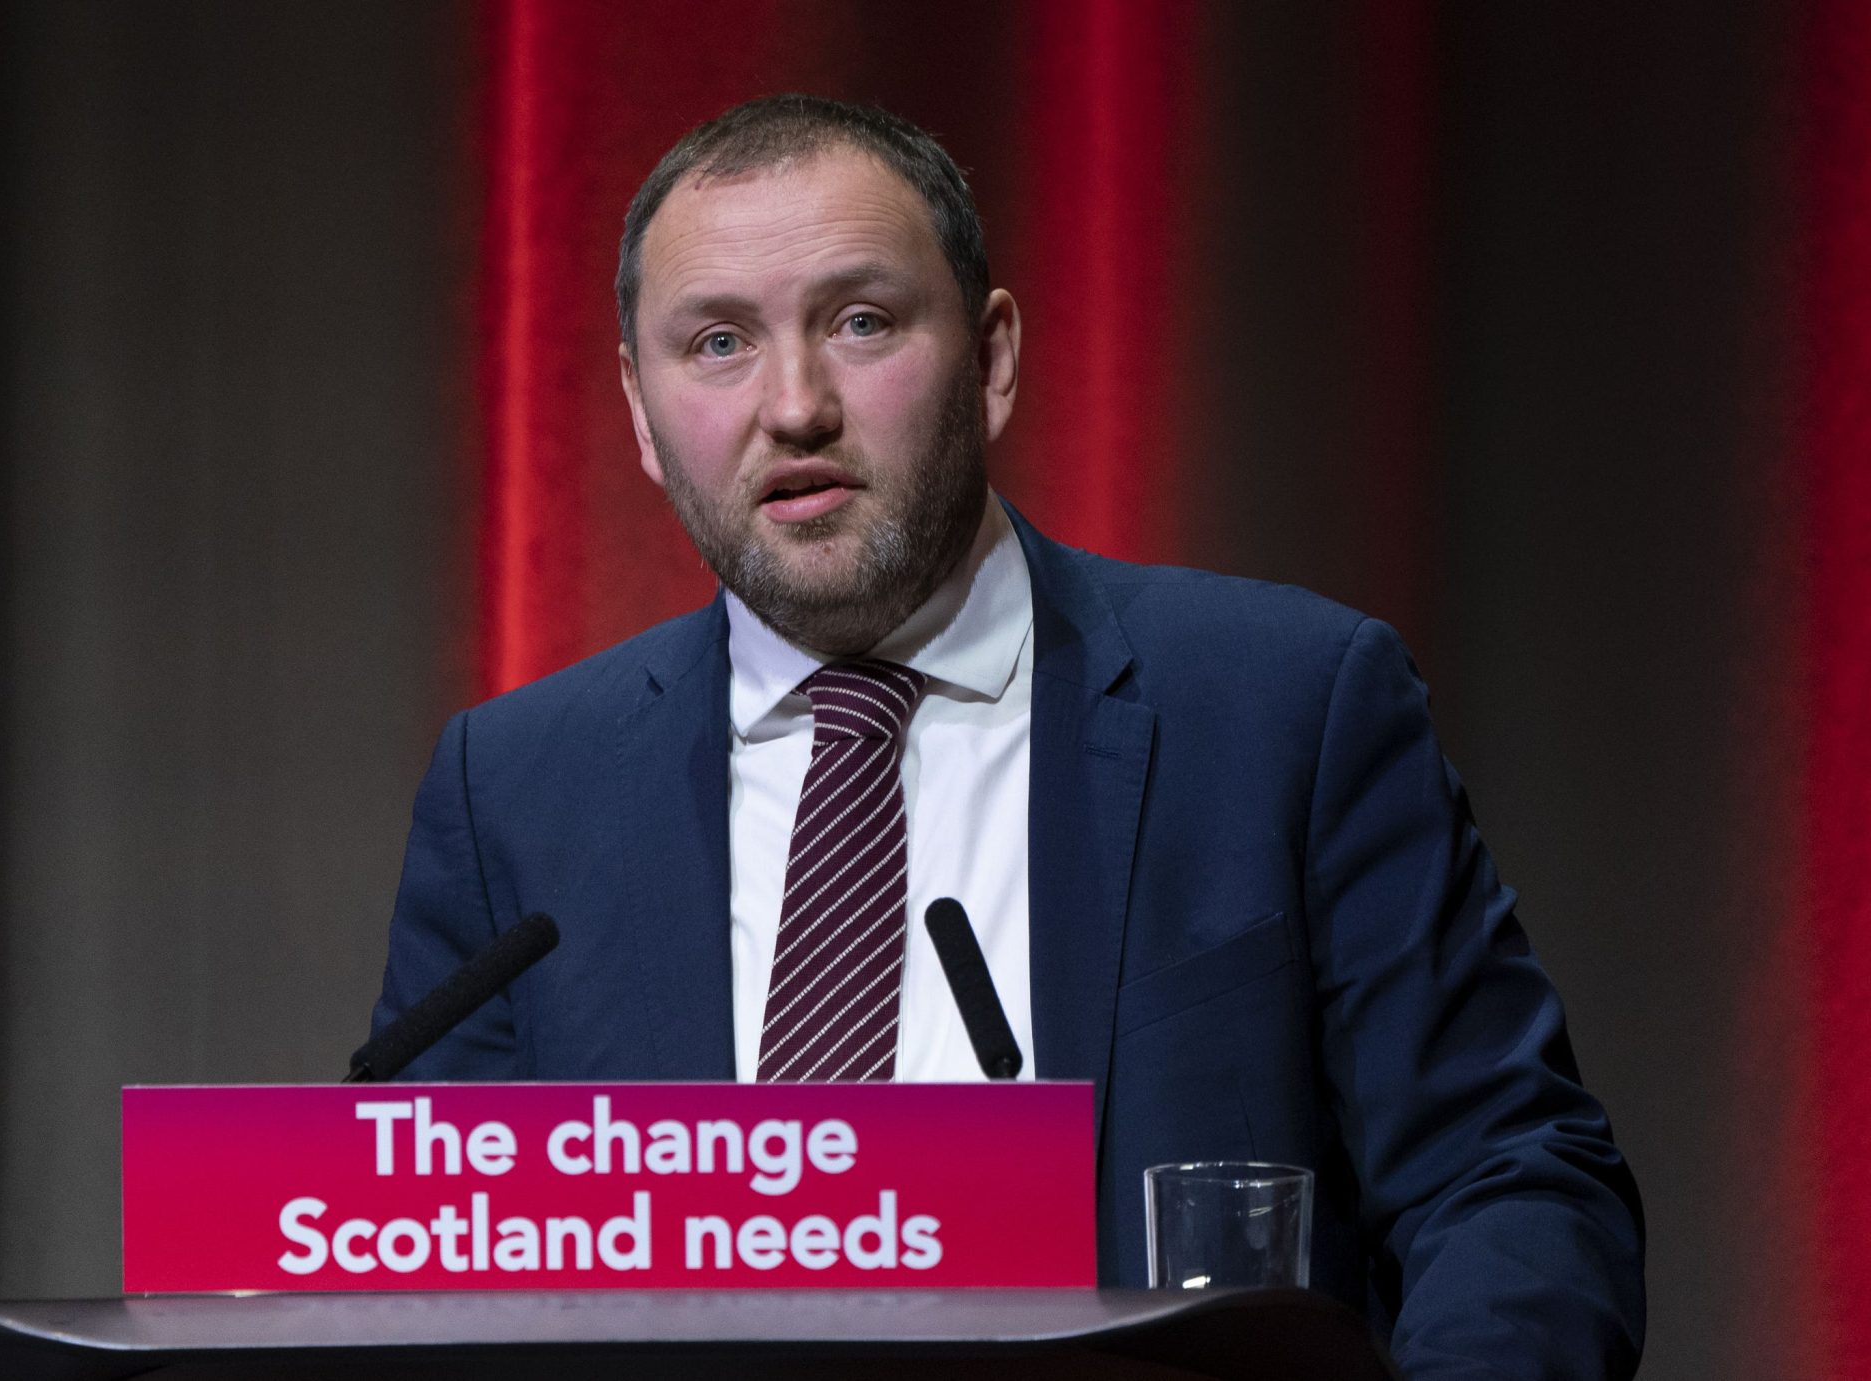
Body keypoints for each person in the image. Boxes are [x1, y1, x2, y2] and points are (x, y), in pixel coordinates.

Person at [372, 94, 1645, 1378]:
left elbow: (1506, 1181)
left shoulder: (1284, 707)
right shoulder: (515, 792)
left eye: (860, 321)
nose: (794, 405)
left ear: (989, 357)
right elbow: (417, 1279)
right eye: (715, 344)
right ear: (642, 419)